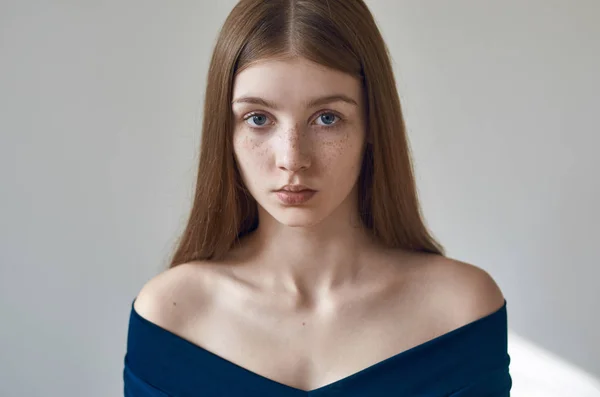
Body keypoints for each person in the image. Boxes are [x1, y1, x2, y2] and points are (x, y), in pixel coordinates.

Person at [123, 0, 512, 395]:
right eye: (258, 119)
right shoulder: (171, 316)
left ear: (373, 125)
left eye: (327, 118)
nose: (292, 158)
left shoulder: (459, 312)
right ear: (226, 133)